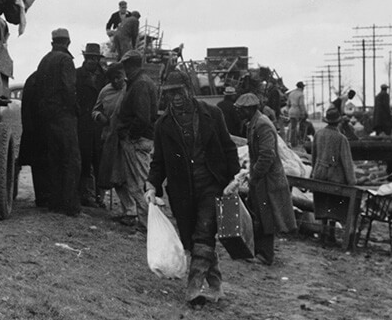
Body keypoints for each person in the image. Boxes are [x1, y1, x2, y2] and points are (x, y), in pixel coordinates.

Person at [145, 70, 240, 306]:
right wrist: (152, 186)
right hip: (182, 191)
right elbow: (159, 162)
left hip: (211, 184)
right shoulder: (163, 125)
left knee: (204, 232)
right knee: (194, 240)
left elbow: (228, 148)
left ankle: (193, 288)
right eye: (171, 94)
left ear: (189, 90)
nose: (176, 98)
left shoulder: (212, 114)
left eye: (179, 92)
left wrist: (235, 178)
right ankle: (216, 286)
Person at [230, 93, 296, 265]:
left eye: (241, 109)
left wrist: (255, 175)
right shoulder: (253, 124)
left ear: (250, 109)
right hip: (261, 178)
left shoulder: (262, 125)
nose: (238, 112)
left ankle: (265, 255)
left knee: (266, 217)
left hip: (268, 179)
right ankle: (258, 250)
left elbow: (267, 155)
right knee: (258, 213)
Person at [35, 28, 82, 217]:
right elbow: (69, 88)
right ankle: (70, 205)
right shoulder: (65, 60)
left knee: (54, 160)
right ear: (68, 42)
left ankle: (55, 203)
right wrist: (75, 109)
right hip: (64, 116)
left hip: (47, 117)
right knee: (71, 160)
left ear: (52, 42)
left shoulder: (44, 61)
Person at [116, 50, 159, 229]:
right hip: (141, 138)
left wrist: (131, 135)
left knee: (139, 185)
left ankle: (148, 226)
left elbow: (142, 117)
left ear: (130, 65)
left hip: (137, 140)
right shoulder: (142, 81)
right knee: (140, 183)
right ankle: (146, 224)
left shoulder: (139, 84)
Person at [76, 43, 107, 208]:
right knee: (85, 159)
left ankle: (100, 196)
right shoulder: (77, 75)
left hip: (100, 124)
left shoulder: (106, 77)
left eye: (94, 58)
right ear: (85, 58)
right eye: (89, 58)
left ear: (98, 59)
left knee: (100, 160)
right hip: (83, 124)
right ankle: (86, 195)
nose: (91, 61)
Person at [94, 64, 127, 209]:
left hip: (125, 137)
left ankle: (129, 208)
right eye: (113, 78)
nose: (116, 81)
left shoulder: (130, 89)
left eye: (119, 77)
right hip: (109, 136)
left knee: (126, 173)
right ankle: (102, 199)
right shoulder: (105, 91)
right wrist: (99, 116)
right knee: (110, 171)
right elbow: (95, 110)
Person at [20, 71, 50, 208]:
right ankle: (44, 197)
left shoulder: (33, 78)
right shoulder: (41, 79)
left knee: (38, 165)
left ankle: (42, 197)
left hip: (34, 130)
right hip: (40, 130)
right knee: (42, 164)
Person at [311, 107, 356, 186]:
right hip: (335, 178)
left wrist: (313, 172)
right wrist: (352, 181)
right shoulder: (341, 138)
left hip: (319, 175)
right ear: (338, 122)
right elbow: (347, 162)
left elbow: (314, 156)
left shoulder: (318, 134)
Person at [286, 81, 308, 146]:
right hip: (297, 111)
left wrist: (288, 111)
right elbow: (301, 104)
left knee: (292, 126)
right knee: (296, 127)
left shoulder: (291, 93)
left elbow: (288, 104)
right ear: (302, 87)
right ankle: (294, 142)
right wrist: (304, 112)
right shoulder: (301, 94)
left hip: (291, 110)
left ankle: (292, 141)